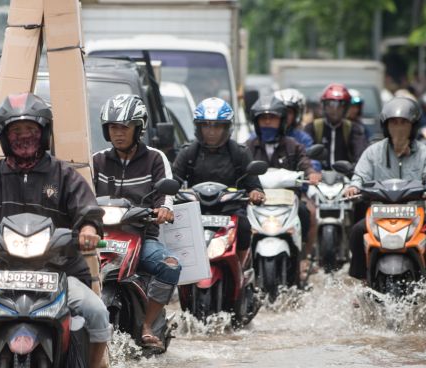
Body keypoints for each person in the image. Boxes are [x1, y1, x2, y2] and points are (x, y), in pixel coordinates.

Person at [0, 93, 115, 368]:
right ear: (4, 137)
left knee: (98, 312)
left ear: (43, 133)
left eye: (30, 131)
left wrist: (88, 227)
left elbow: (87, 208)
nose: (24, 139)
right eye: (16, 133)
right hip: (6, 276)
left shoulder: (63, 174)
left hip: (61, 274)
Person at [92, 94, 181, 348]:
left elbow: (166, 196)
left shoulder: (155, 158)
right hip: (101, 237)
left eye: (124, 127)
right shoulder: (96, 161)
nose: (118, 133)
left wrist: (164, 209)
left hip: (141, 236)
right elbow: (82, 193)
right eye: (113, 127)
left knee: (170, 266)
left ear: (138, 129)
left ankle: (148, 324)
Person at [345, 97, 426, 281]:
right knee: (356, 232)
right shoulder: (372, 152)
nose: (399, 128)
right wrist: (353, 188)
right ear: (386, 126)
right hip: (378, 215)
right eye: (394, 123)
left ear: (413, 126)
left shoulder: (425, 153)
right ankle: (361, 282)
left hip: (415, 214)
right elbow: (360, 175)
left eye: (404, 123)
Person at [172, 97, 264, 267]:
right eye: (206, 125)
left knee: (244, 227)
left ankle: (243, 267)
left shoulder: (240, 153)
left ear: (227, 128)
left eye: (217, 126)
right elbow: (173, 182)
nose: (211, 131)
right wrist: (167, 193)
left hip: (230, 210)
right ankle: (178, 272)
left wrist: (255, 193)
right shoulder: (188, 153)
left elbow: (254, 185)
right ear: (198, 127)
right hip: (195, 211)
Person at [245, 94, 321, 274]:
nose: (268, 123)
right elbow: (238, 169)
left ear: (281, 121)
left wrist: (312, 174)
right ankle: (244, 263)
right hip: (256, 200)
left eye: (272, 119)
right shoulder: (247, 146)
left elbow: (305, 163)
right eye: (263, 119)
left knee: (307, 212)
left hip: (288, 200)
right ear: (256, 122)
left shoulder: (293, 145)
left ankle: (302, 257)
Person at [305, 83, 368, 169]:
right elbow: (304, 155)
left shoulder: (354, 128)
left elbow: (360, 155)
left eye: (340, 105)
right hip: (317, 177)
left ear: (346, 108)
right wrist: (312, 170)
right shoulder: (312, 127)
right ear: (324, 106)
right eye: (331, 105)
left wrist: (353, 169)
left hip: (346, 178)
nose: (335, 110)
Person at [275, 88, 321, 171]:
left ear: (296, 115)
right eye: (281, 111)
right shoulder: (258, 136)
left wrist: (311, 172)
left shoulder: (303, 138)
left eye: (288, 112)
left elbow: (313, 162)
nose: (284, 116)